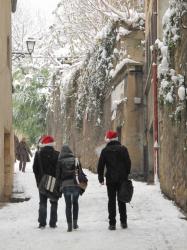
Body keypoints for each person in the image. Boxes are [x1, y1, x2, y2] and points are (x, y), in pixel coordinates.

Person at [97, 130, 131, 230]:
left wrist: (100, 178)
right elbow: (128, 163)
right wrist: (126, 174)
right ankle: (123, 222)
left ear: (108, 139)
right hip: (121, 179)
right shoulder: (123, 149)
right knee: (122, 200)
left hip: (110, 179)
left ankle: (112, 224)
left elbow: (100, 166)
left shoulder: (105, 151)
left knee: (111, 201)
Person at [33, 135, 59, 229]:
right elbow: (59, 169)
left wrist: (38, 181)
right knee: (54, 202)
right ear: (52, 144)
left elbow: (35, 169)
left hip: (42, 182)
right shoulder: (57, 154)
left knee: (43, 202)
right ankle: (53, 223)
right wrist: (58, 181)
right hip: (54, 182)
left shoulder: (38, 154)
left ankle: (42, 223)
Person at [56, 145, 81, 232]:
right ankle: (75, 223)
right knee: (75, 203)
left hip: (65, 185)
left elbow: (58, 176)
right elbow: (80, 173)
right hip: (75, 184)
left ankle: (69, 226)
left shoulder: (60, 161)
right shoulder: (76, 159)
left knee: (68, 205)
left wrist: (58, 187)